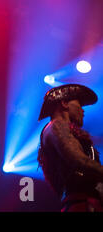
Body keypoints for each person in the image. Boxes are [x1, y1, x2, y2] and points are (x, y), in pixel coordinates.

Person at [37, 84, 103, 212]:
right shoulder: (55, 126)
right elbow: (78, 160)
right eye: (79, 104)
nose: (83, 110)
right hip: (79, 205)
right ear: (64, 103)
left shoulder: (72, 134)